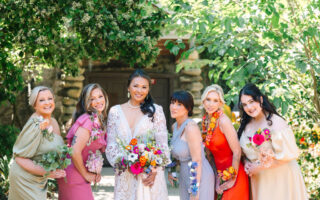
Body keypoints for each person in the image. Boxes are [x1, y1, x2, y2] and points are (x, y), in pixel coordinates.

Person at [106, 69, 169, 200]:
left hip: (149, 176)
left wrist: (154, 168)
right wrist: (126, 163)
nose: (139, 91)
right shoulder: (115, 112)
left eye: (144, 87)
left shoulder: (156, 111)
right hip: (125, 175)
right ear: (128, 87)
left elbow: (162, 145)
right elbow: (111, 145)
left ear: (148, 90)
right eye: (135, 86)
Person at [238, 83, 308, 200]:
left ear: (260, 99)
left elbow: (288, 155)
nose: (249, 107)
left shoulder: (276, 122)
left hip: (282, 179)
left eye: (251, 102)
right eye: (245, 104)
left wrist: (258, 167)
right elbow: (243, 153)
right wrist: (246, 163)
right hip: (260, 182)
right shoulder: (245, 126)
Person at [8, 86, 66, 200]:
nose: (47, 102)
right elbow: (19, 157)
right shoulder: (35, 124)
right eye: (41, 100)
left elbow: (59, 148)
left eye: (50, 98)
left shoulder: (53, 122)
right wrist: (47, 172)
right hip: (24, 178)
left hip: (40, 179)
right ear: (34, 105)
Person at [57, 83, 108, 200]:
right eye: (92, 99)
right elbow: (74, 151)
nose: (98, 101)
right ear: (86, 102)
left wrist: (94, 170)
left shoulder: (99, 119)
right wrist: (86, 174)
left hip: (79, 173)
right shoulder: (88, 120)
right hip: (73, 174)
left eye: (100, 96)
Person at [201, 84, 249, 200]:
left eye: (215, 100)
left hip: (235, 175)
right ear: (203, 101)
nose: (210, 104)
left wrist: (232, 179)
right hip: (218, 176)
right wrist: (216, 178)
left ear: (220, 103)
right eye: (208, 99)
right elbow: (210, 155)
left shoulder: (223, 121)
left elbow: (237, 151)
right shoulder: (205, 121)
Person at [169, 91, 215, 200]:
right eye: (172, 102)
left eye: (179, 104)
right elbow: (178, 153)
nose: (174, 107)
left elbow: (197, 160)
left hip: (199, 176)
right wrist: (171, 170)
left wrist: (195, 191)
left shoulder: (190, 127)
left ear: (188, 108)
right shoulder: (174, 126)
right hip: (184, 174)